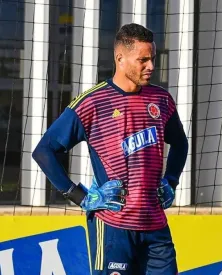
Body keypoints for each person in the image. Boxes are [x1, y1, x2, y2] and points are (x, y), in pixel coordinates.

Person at [32, 23, 188, 275]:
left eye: (153, 58)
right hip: (113, 227)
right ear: (120, 58)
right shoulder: (93, 102)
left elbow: (180, 142)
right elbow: (44, 151)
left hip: (156, 227)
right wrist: (81, 197)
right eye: (143, 60)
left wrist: (171, 181)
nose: (151, 67)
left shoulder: (161, 99)